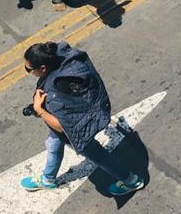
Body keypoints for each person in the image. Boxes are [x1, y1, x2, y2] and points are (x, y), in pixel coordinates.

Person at [20, 41, 145, 195]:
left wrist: (39, 110)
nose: (27, 71)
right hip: (90, 104)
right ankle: (48, 179)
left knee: (97, 154)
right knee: (53, 143)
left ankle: (131, 181)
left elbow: (62, 127)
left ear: (43, 68)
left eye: (28, 69)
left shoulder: (56, 96)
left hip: (77, 126)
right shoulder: (65, 56)